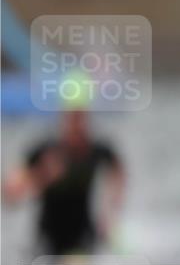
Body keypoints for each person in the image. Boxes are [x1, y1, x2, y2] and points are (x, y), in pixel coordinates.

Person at [3, 109, 125, 256]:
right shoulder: (45, 151)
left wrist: (109, 217)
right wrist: (44, 176)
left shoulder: (97, 151)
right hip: (48, 236)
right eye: (72, 120)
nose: (77, 127)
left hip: (83, 233)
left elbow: (119, 176)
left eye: (81, 119)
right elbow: (11, 194)